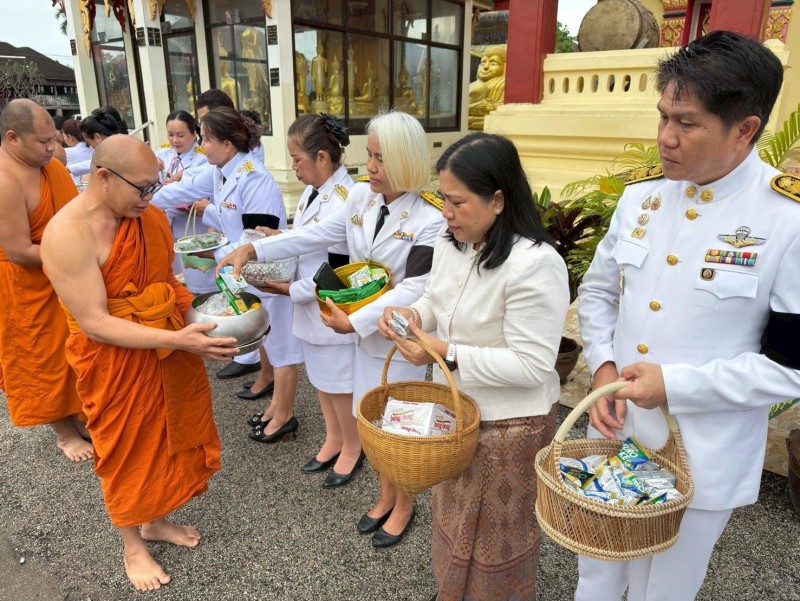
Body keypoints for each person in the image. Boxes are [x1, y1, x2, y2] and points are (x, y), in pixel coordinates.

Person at [576, 30, 800, 601]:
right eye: (662, 116)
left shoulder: (787, 220)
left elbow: (790, 369)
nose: (665, 137)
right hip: (617, 429)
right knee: (596, 572)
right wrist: (603, 369)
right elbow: (598, 293)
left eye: (687, 122)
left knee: (663, 589)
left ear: (745, 129)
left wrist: (674, 385)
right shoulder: (642, 198)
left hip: (700, 454)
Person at [40, 134, 238, 592]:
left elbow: (167, 280)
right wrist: (178, 340)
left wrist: (206, 322)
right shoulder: (67, 233)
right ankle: (132, 544)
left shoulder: (148, 217)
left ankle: (155, 520)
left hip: (167, 347)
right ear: (103, 176)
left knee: (166, 437)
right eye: (143, 188)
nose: (151, 197)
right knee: (124, 450)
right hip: (113, 362)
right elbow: (95, 323)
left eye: (155, 186)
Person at [217, 110, 445, 507]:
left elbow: (414, 287)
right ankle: (384, 496)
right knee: (368, 420)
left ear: (405, 160)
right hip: (358, 335)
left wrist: (354, 321)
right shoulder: (361, 197)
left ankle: (403, 504)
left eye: (380, 158)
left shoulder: (431, 217)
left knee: (396, 424)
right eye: (369, 155)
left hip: (395, 338)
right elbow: (316, 234)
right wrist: (254, 248)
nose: (369, 166)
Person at [379, 132, 569, 599]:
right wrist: (411, 316)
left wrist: (446, 353)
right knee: (451, 516)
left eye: (457, 202)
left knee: (496, 538)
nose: (445, 212)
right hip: (456, 409)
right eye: (443, 198)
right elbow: (434, 298)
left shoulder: (535, 264)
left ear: (498, 200)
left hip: (509, 429)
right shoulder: (452, 242)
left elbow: (533, 364)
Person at [153, 107, 302, 435]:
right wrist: (146, 199)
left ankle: (285, 415)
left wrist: (213, 253)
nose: (201, 146)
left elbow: (256, 240)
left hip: (265, 273)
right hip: (240, 272)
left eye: (206, 139)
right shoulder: (219, 171)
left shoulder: (254, 179)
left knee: (282, 345)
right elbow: (182, 190)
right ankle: (275, 403)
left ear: (227, 144)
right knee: (264, 336)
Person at [249, 113, 356, 475]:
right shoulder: (314, 191)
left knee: (339, 384)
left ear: (321, 157)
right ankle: (334, 438)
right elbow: (308, 241)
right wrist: (280, 238)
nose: (293, 167)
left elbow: (338, 271)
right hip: (309, 307)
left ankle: (352, 447)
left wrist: (291, 289)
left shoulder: (344, 199)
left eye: (297, 159)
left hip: (328, 306)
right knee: (322, 381)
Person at [0, 98, 89, 462]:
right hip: (25, 282)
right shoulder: (5, 180)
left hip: (62, 272)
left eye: (54, 139)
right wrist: (77, 254)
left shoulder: (50, 165)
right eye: (44, 142)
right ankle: (64, 432)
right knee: (43, 359)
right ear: (13, 138)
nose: (53, 148)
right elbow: (20, 251)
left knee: (76, 345)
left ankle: (79, 412)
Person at [154, 110, 215, 295]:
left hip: (194, 227)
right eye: (170, 135)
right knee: (172, 279)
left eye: (180, 135)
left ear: (193, 134)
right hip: (167, 227)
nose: (175, 140)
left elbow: (204, 193)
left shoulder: (204, 159)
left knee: (200, 280)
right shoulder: (162, 155)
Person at [68, 106, 127, 180]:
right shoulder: (123, 144)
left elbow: (98, 163)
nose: (90, 146)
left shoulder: (117, 153)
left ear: (97, 137)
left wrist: (69, 169)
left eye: (88, 142)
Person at [468, 45, 506, 130]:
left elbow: (506, 107)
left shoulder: (503, 84)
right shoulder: (472, 85)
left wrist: (488, 107)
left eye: (493, 64)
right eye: (483, 63)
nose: (486, 67)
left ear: (504, 66)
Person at [62, 118, 93, 187]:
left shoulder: (66, 152)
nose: (64, 139)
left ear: (70, 137)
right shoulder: (93, 149)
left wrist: (70, 169)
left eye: (64, 136)